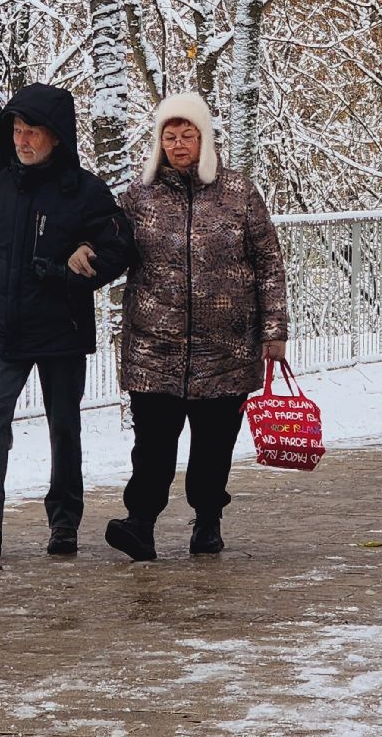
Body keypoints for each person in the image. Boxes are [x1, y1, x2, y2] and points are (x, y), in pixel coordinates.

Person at [0, 83, 132, 560]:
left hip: (62, 332)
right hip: (3, 331)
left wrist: (79, 266)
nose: (22, 140)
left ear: (57, 137)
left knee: (64, 428)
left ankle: (64, 524)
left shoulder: (85, 190)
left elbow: (119, 247)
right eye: (16, 130)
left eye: (33, 132)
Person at [102, 92, 288, 561]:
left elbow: (268, 260)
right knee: (152, 447)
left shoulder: (238, 192)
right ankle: (139, 524)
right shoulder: (137, 197)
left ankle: (208, 520)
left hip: (224, 348)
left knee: (212, 447)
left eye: (187, 135)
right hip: (153, 347)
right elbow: (111, 249)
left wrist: (274, 329)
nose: (178, 143)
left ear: (204, 139)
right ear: (158, 141)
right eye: (170, 135)